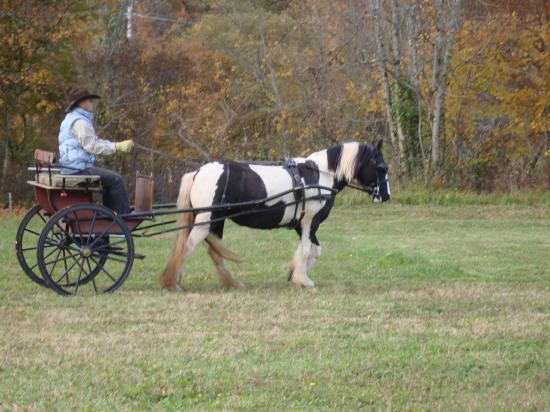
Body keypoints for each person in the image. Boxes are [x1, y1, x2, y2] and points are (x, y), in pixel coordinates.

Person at [59, 87, 134, 214]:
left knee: (107, 183)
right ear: (82, 103)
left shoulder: (70, 119)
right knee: (116, 179)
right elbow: (92, 145)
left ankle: (108, 217)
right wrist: (117, 147)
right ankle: (124, 216)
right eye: (89, 101)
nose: (91, 104)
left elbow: (94, 141)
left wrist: (116, 145)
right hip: (78, 169)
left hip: (71, 167)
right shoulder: (80, 122)